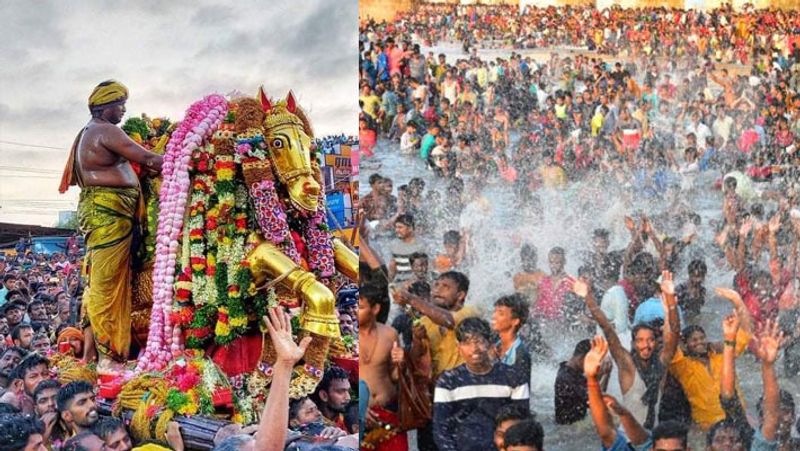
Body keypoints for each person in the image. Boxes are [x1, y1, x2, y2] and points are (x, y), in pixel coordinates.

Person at [58, 80, 164, 374]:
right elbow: (145, 157)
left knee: (103, 283)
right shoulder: (105, 130)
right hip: (108, 215)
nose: (124, 110)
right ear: (105, 107)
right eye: (120, 104)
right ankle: (109, 359)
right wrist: (183, 162)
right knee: (108, 287)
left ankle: (97, 354)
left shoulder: (89, 131)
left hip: (108, 214)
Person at [432, 318, 529, 451]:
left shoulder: (513, 378)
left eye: (479, 341)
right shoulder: (448, 381)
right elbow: (440, 429)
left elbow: (522, 424)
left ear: (489, 343)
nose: (474, 349)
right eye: (467, 343)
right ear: (458, 346)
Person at [670, 287, 753, 430]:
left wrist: (737, 301)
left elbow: (746, 332)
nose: (700, 342)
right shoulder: (681, 365)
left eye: (702, 338)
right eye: (694, 340)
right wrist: (670, 305)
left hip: (737, 419)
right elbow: (672, 338)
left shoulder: (722, 356)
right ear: (684, 344)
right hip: (707, 426)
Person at [359, 281, 407, 450]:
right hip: (360, 415)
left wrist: (401, 363)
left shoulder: (390, 334)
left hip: (389, 411)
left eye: (360, 307)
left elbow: (394, 376)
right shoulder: (346, 335)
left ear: (375, 309)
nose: (355, 312)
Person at [491, 294, 531, 383]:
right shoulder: (496, 347)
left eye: (500, 314)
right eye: (495, 312)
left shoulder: (520, 353)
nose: (494, 316)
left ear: (515, 321)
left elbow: (519, 388)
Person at [554, 339, 591, 425]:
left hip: (576, 425)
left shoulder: (572, 372)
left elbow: (597, 397)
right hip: (568, 429)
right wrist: (598, 376)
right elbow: (593, 402)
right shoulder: (567, 378)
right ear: (581, 358)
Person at [311, 366, 352, 433]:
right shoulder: (311, 425)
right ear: (324, 395)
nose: (348, 397)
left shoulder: (347, 419)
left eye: (348, 391)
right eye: (340, 391)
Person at [387, 215, 426, 283]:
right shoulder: (394, 245)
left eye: (400, 227)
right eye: (396, 227)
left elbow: (425, 269)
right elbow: (392, 269)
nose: (397, 230)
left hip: (417, 284)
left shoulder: (421, 245)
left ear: (410, 228)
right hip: (399, 283)